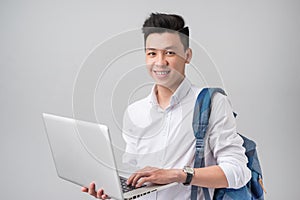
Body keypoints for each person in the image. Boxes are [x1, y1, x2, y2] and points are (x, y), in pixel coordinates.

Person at [82, 12, 251, 199]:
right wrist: (114, 192)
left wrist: (179, 174)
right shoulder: (134, 112)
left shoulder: (212, 103)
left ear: (187, 55)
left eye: (170, 53)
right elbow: (135, 176)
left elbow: (238, 172)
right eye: (152, 53)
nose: (160, 62)